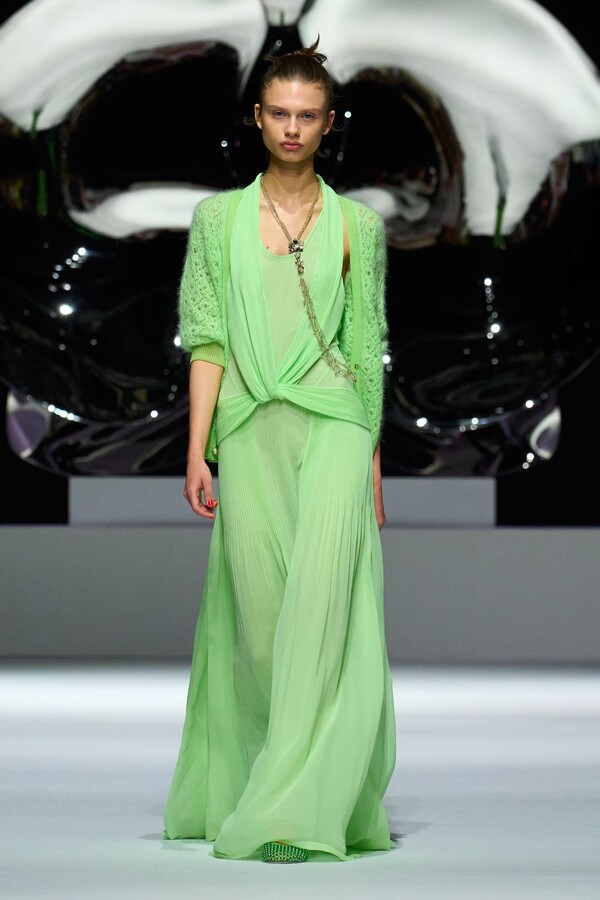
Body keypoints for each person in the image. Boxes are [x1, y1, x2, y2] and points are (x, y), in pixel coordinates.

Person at [161, 37, 396, 864]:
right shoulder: (216, 221)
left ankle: (297, 811)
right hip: (249, 427)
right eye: (281, 114)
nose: (293, 128)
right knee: (263, 629)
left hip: (336, 426)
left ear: (329, 124)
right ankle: (282, 779)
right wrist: (197, 450)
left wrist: (372, 460)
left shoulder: (359, 227)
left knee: (319, 619)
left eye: (309, 115)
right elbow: (208, 341)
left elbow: (365, 346)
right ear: (257, 118)